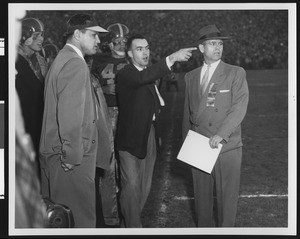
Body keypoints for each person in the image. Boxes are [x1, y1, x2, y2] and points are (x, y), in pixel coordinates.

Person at [39, 13, 112, 228]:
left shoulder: (64, 58)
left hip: (59, 154)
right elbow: (70, 115)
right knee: (78, 222)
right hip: (71, 159)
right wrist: (71, 155)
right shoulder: (75, 63)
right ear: (78, 34)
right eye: (94, 35)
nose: (98, 41)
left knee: (62, 221)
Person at [115, 33, 197, 227]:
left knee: (144, 186)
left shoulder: (148, 75)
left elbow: (154, 104)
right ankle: (134, 227)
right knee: (131, 186)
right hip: (130, 138)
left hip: (149, 135)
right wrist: (172, 58)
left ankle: (128, 223)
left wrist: (156, 134)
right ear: (129, 53)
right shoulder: (126, 73)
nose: (145, 52)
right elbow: (143, 78)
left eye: (147, 48)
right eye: (139, 49)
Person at [182, 24, 249, 227]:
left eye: (219, 44)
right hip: (199, 144)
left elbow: (239, 107)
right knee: (201, 203)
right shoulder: (190, 76)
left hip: (225, 146)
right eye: (212, 44)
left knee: (226, 203)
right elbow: (188, 113)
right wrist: (186, 145)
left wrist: (221, 134)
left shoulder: (235, 72)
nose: (218, 47)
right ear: (201, 48)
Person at [90, 23, 130, 227]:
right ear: (109, 43)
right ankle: (110, 215)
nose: (122, 44)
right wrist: (106, 91)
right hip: (106, 113)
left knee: (127, 164)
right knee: (107, 162)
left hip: (129, 114)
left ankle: (128, 210)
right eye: (117, 41)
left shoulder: (134, 58)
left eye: (125, 41)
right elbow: (88, 89)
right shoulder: (97, 61)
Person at [15, 17, 48, 177]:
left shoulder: (40, 60)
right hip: (23, 124)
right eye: (37, 36)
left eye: (42, 35)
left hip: (39, 122)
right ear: (24, 37)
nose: (41, 39)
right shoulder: (13, 61)